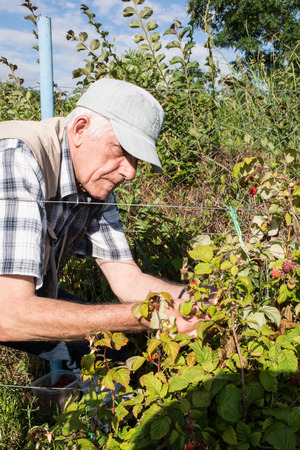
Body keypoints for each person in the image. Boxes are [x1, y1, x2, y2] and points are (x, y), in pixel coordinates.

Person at [0, 79, 212, 374]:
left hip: (11, 302)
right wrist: (151, 315)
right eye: (121, 151)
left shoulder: (94, 183)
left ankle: (86, 411)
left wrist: (194, 301)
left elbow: (126, 278)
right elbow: (9, 315)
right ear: (80, 129)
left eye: (136, 159)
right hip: (7, 305)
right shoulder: (16, 156)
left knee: (112, 348)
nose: (131, 171)